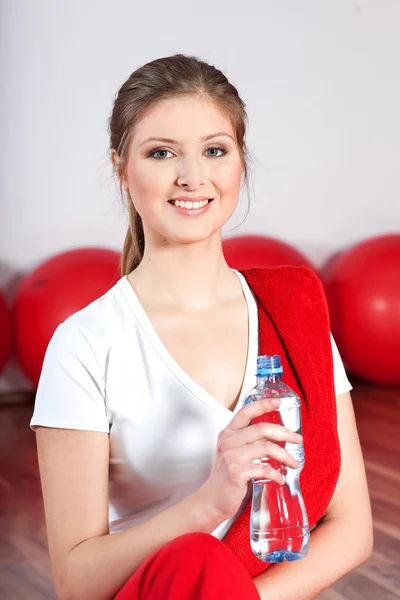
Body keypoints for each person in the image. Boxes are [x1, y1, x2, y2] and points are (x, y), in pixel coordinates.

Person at [30, 54, 373, 600]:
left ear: (240, 162)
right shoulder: (85, 344)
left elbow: (352, 531)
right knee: (196, 556)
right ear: (121, 167)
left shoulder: (293, 313)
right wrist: (210, 502)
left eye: (215, 150)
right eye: (161, 153)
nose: (193, 177)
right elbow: (78, 582)